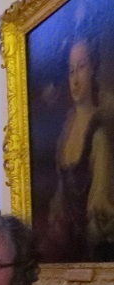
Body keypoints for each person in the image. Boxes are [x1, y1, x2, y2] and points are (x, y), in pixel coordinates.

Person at [46, 36, 114, 262]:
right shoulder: (67, 128)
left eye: (81, 68)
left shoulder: (100, 132)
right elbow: (60, 195)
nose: (75, 80)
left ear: (93, 70)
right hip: (67, 249)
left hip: (92, 251)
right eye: (71, 70)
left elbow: (100, 205)